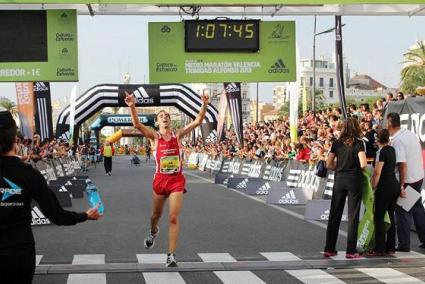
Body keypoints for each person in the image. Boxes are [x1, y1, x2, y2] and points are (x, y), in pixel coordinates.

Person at [0, 111, 101, 284]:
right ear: (15, 141)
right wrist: (85, 216)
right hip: (19, 252)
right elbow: (57, 215)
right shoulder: (29, 174)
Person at [125, 91, 209, 267]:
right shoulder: (154, 138)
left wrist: (205, 104)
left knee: (173, 217)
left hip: (176, 181)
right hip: (160, 181)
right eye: (161, 116)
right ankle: (153, 231)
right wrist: (132, 106)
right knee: (155, 215)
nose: (164, 117)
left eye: (167, 116)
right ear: (157, 121)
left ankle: (171, 255)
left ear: (170, 121)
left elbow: (198, 121)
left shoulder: (178, 135)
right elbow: (137, 124)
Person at [324, 117, 367, 259]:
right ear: (356, 128)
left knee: (334, 214)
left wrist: (339, 167)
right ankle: (350, 251)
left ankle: (329, 248)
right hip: (354, 180)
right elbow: (363, 164)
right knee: (352, 217)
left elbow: (328, 163)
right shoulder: (359, 143)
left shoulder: (336, 143)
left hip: (339, 179)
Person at [387, 112, 425, 252]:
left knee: (402, 211)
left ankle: (404, 244)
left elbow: (402, 164)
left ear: (390, 123)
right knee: (417, 208)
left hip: (408, 179)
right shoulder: (409, 134)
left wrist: (401, 185)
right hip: (418, 176)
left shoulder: (398, 140)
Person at [368, 129, 400, 256]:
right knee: (391, 215)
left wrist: (372, 187)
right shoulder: (392, 149)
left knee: (379, 217)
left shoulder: (380, 152)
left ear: (377, 140)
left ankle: (379, 248)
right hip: (394, 185)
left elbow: (377, 172)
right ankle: (391, 247)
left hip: (384, 186)